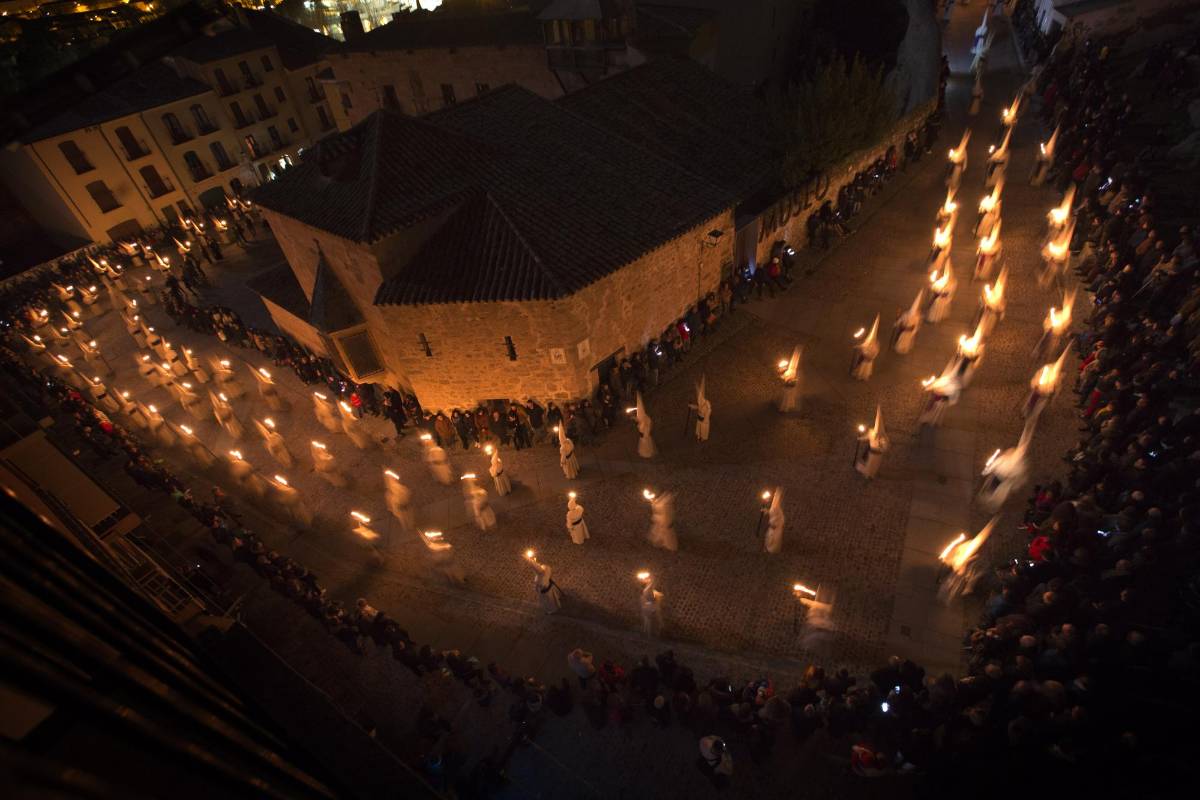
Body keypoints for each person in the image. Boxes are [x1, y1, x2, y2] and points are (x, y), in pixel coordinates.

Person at [891, 290, 923, 354]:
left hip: (909, 332)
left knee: (906, 341)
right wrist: (896, 323)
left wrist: (913, 332)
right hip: (903, 330)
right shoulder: (906, 314)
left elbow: (916, 326)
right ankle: (898, 348)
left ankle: (904, 348)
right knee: (900, 339)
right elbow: (901, 320)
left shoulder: (917, 317)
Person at [634, 392, 656, 458]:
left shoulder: (645, 420)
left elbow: (642, 426)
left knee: (645, 442)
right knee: (645, 441)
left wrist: (639, 424)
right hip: (644, 432)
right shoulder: (645, 418)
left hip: (644, 433)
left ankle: (647, 452)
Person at [690, 376, 711, 442]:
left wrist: (705, 418)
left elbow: (708, 411)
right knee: (699, 428)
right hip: (699, 418)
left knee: (703, 429)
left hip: (704, 420)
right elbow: (697, 407)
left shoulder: (707, 404)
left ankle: (703, 438)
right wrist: (691, 406)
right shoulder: (700, 403)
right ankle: (699, 436)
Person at [763, 488, 784, 554]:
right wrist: (767, 511)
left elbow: (775, 515)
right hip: (774, 527)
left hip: (775, 528)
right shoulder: (775, 506)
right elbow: (772, 512)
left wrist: (773, 525)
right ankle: (769, 548)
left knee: (772, 539)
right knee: (769, 538)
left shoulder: (776, 508)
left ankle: (771, 550)